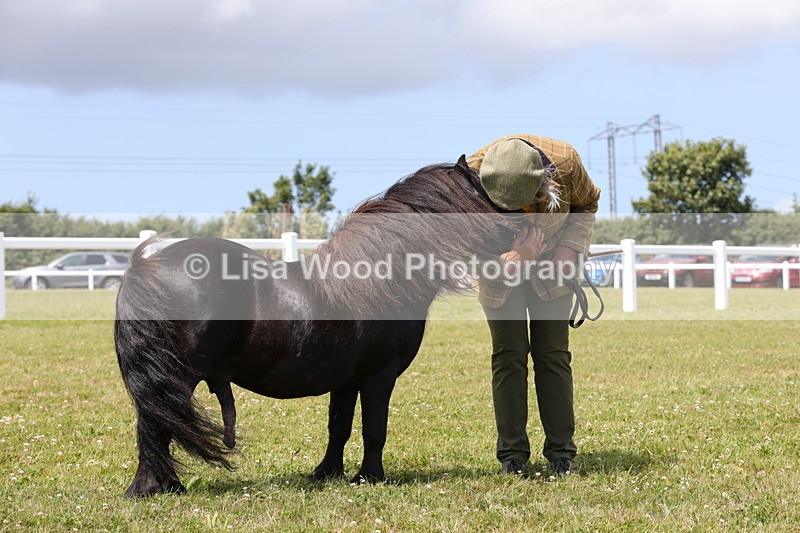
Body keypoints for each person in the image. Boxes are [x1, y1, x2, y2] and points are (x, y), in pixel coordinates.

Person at [467, 135, 601, 477]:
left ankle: (561, 453)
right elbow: (465, 250)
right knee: (509, 354)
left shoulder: (566, 162)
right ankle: (512, 455)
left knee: (552, 353)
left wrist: (571, 248)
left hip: (554, 266)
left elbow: (587, 204)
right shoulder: (467, 179)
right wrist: (512, 259)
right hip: (499, 269)